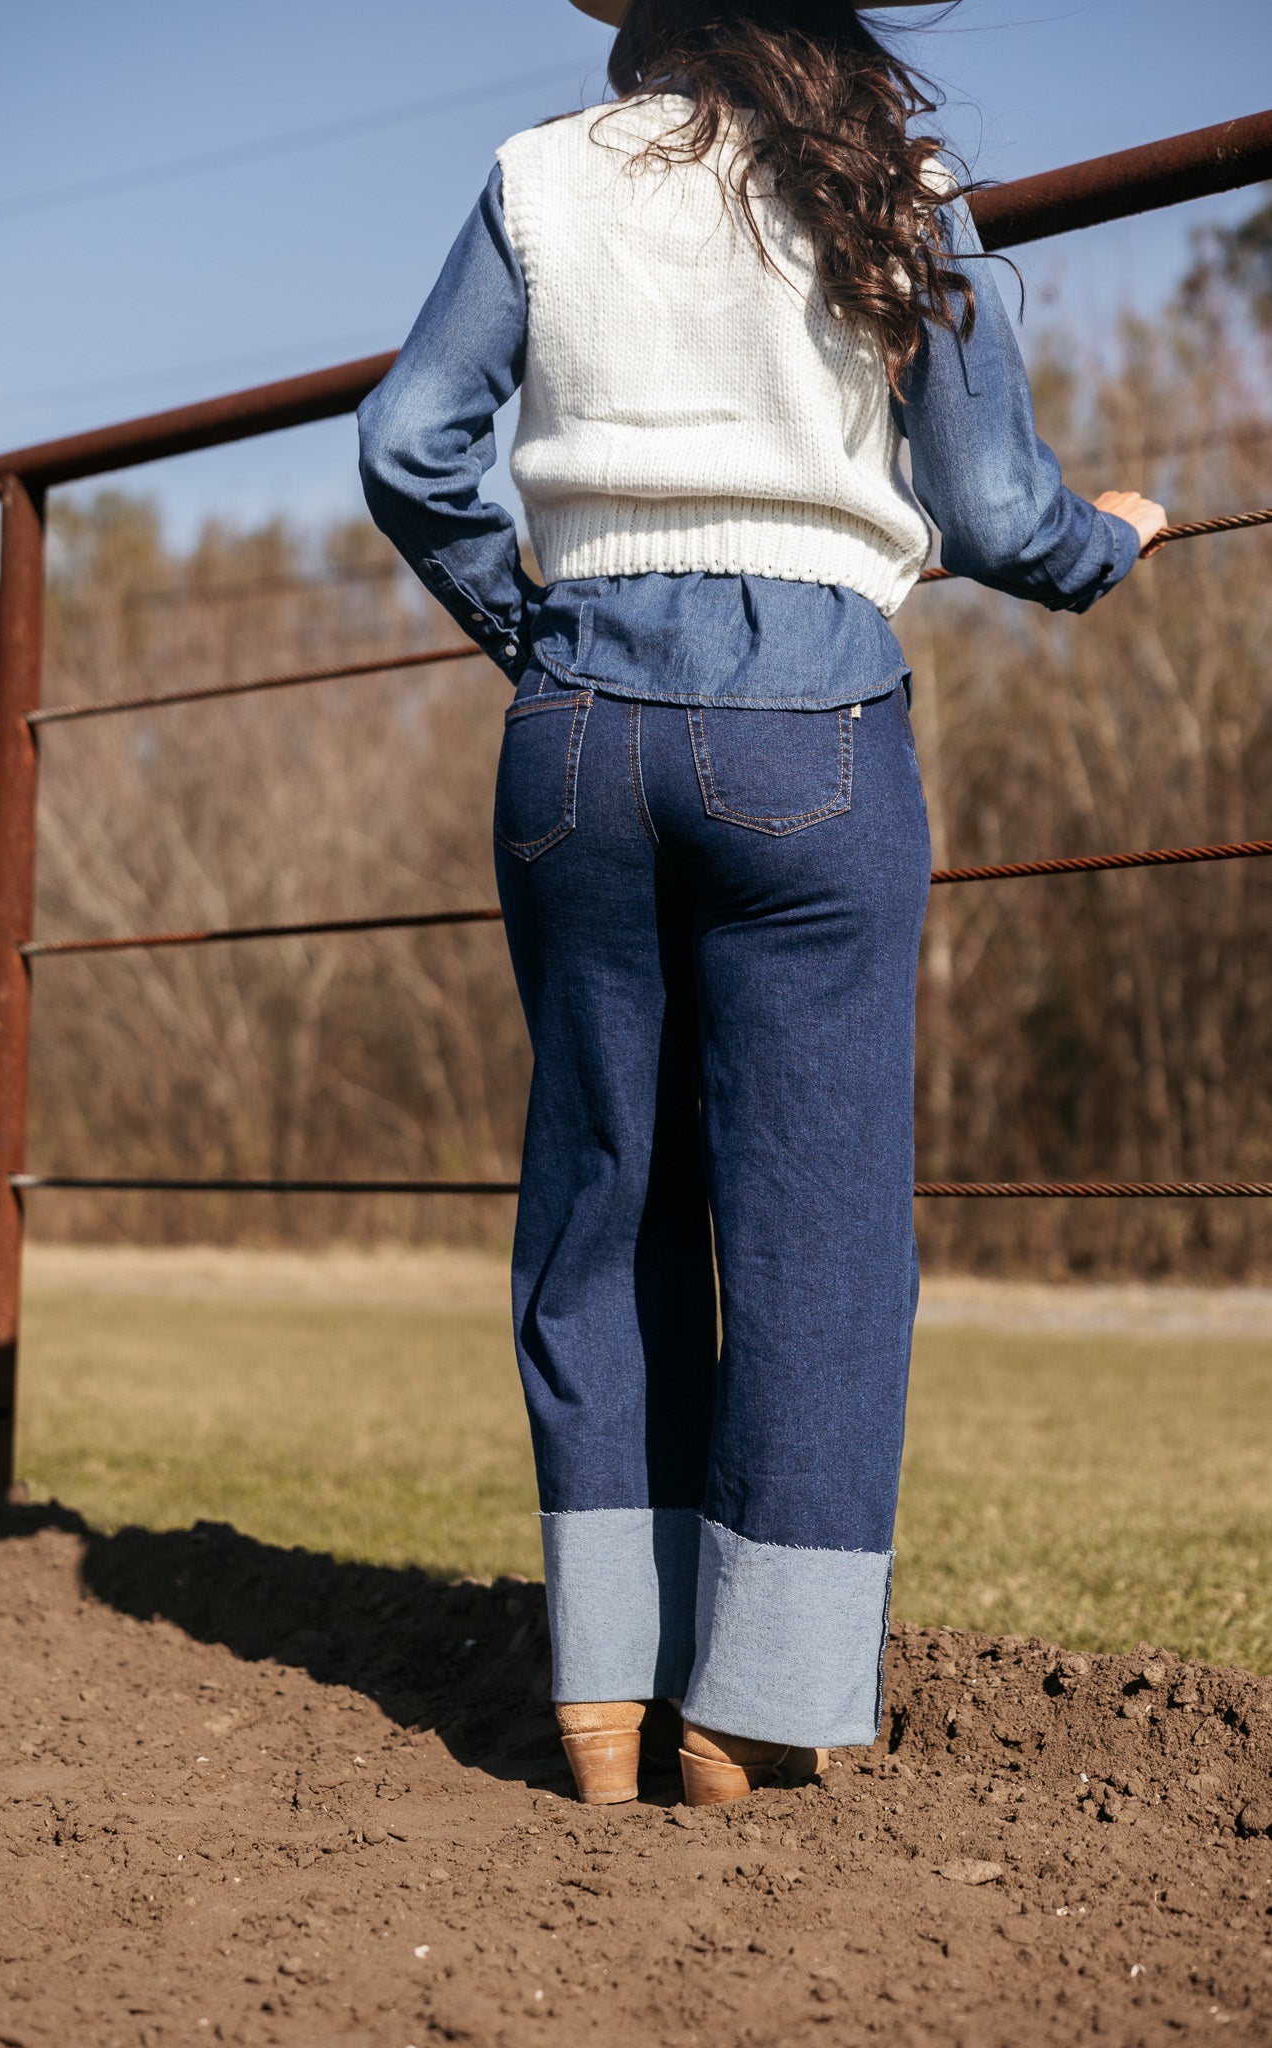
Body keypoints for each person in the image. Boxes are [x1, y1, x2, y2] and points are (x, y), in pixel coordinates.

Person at [357, 0, 1165, 1807]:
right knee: (816, 1225)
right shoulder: (893, 183)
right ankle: (752, 1702)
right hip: (810, 722)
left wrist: (540, 629)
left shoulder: (539, 178)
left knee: (602, 1194)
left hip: (576, 728)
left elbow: (411, 441)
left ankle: (597, 1695)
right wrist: (1105, 538)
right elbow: (985, 503)